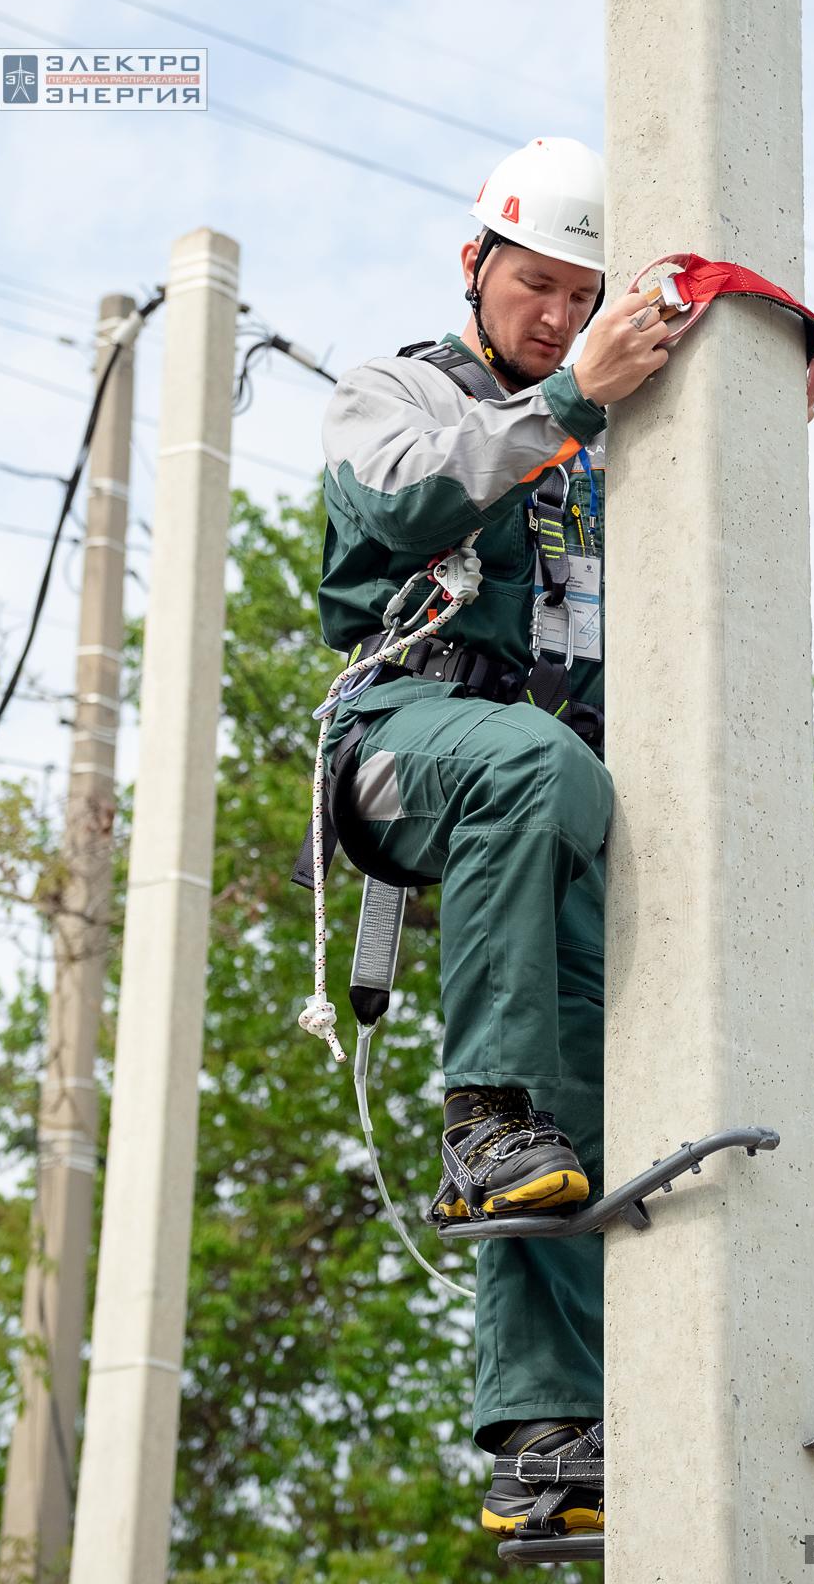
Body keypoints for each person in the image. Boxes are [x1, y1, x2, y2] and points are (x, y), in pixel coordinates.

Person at [317, 136, 669, 1541]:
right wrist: (574, 400)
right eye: (537, 287)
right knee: (531, 766)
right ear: (476, 264)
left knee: (566, 1102)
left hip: (548, 798)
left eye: (583, 298)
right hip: (403, 744)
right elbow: (405, 499)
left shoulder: (603, 457)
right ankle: (480, 1120)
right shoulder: (395, 394)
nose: (558, 318)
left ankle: (544, 1440)